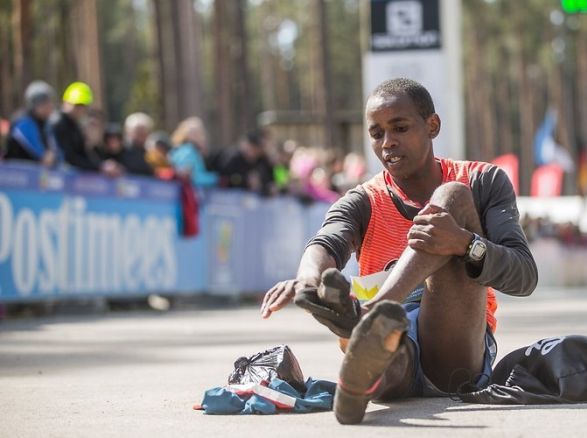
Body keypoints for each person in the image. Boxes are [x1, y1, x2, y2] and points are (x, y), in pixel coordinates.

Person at [259, 78, 538, 424]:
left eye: (400, 128)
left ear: (432, 126)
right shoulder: (362, 199)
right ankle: (362, 378)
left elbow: (525, 276)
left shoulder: (482, 181)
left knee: (451, 197)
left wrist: (466, 244)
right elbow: (325, 244)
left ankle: (371, 315)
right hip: (395, 353)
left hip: (453, 352)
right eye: (376, 134)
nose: (387, 143)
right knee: (390, 346)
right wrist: (307, 281)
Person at [52, 81, 121, 176]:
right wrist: (99, 167)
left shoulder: (75, 126)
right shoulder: (58, 123)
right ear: (66, 102)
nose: (79, 109)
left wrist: (102, 165)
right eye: (76, 105)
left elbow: (82, 154)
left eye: (82, 106)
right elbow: (69, 157)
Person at [4, 80, 61, 167]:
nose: (50, 106)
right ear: (35, 103)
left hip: (35, 175)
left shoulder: (45, 124)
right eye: (46, 102)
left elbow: (55, 150)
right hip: (15, 175)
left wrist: (55, 156)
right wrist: (49, 156)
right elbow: (42, 155)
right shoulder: (22, 121)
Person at [210, 131, 276, 195]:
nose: (253, 153)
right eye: (251, 148)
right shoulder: (233, 158)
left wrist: (266, 186)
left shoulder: (262, 161)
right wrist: (245, 180)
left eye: (256, 150)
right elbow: (224, 177)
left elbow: (270, 180)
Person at [168, 117, 217, 187]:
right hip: (190, 193)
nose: (200, 136)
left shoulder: (180, 150)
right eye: (196, 133)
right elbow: (193, 178)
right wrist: (216, 178)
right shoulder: (188, 151)